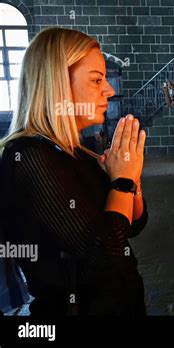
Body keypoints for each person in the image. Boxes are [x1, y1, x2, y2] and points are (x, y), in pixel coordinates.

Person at [0, 28, 148, 316]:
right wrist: (122, 180)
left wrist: (132, 179)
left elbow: (132, 225)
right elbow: (105, 254)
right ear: (58, 84)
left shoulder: (76, 151)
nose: (109, 90)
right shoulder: (28, 156)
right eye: (96, 80)